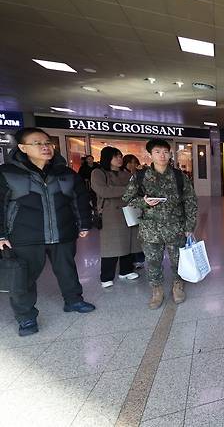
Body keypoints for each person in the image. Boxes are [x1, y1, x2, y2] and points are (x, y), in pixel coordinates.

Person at [0, 127, 95, 337]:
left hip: (62, 232)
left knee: (67, 270)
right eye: (37, 143)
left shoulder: (65, 172)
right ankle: (26, 318)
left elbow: (79, 199)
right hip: (25, 236)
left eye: (48, 142)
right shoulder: (7, 173)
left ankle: (74, 301)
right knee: (23, 279)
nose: (45, 147)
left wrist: (85, 224)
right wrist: (1, 234)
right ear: (23, 147)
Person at [123, 138, 198, 310]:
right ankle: (157, 291)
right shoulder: (140, 176)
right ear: (150, 155)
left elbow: (191, 201)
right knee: (153, 261)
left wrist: (189, 227)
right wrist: (144, 202)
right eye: (157, 152)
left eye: (165, 151)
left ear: (170, 154)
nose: (162, 155)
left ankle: (178, 286)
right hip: (150, 230)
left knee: (178, 260)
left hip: (175, 228)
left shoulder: (179, 176)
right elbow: (127, 198)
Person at [91, 147, 141, 288]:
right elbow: (103, 191)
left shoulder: (126, 174)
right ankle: (106, 276)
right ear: (107, 158)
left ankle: (126, 270)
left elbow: (136, 189)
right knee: (110, 245)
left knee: (129, 241)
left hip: (128, 211)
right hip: (110, 213)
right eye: (115, 157)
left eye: (120, 156)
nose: (119, 159)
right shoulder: (98, 173)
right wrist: (128, 190)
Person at [122, 154, 145, 269]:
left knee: (138, 235)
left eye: (135, 162)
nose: (133, 165)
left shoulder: (139, 175)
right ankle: (132, 260)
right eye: (130, 162)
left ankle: (140, 259)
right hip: (126, 208)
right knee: (130, 236)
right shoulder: (124, 175)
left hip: (138, 207)